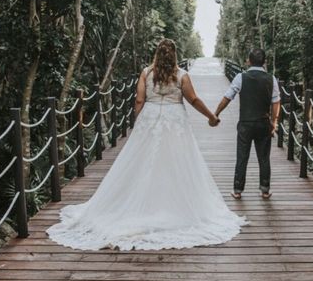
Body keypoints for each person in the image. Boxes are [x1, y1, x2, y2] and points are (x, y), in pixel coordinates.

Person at [47, 39, 246, 251]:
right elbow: (193, 99)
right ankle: (174, 205)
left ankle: (139, 205)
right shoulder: (181, 76)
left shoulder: (146, 73)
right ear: (175, 55)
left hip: (150, 118)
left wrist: (138, 121)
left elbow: (139, 100)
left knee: (142, 161)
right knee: (177, 160)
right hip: (174, 120)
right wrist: (211, 117)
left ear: (157, 54)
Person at [214, 49, 281, 199]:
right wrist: (274, 121)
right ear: (264, 62)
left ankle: (237, 190)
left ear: (248, 61)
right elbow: (276, 102)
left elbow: (228, 97)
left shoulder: (241, 77)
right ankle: (265, 190)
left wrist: (216, 113)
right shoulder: (271, 79)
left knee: (242, 156)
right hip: (263, 122)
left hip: (245, 123)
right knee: (264, 157)